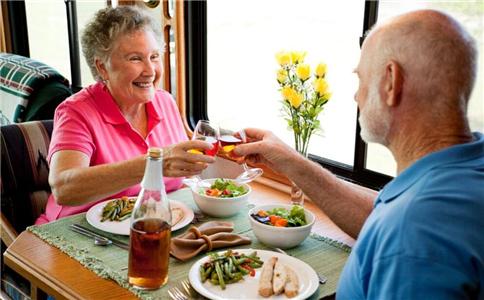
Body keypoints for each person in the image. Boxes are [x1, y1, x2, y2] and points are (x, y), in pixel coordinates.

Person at [235, 9, 483, 299]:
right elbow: (380, 217)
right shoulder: (457, 178)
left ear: (391, 81)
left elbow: (403, 232)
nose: (357, 96)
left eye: (361, 78)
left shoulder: (413, 233)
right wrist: (289, 161)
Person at [36, 6, 215, 224]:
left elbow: (183, 178)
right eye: (135, 59)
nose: (150, 71)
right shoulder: (76, 112)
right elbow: (64, 188)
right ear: (102, 67)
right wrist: (155, 163)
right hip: (77, 231)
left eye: (154, 56)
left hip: (147, 226)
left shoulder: (165, 102)